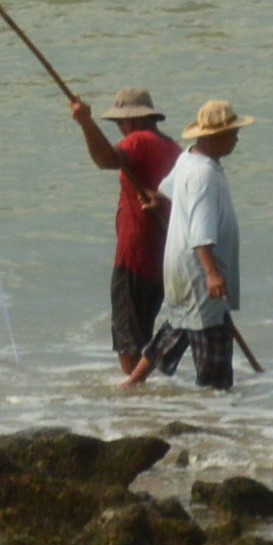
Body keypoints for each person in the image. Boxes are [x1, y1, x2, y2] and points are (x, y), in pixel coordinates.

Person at [124, 98, 257, 391]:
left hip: (182, 269)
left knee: (178, 326)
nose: (236, 137)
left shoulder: (189, 159)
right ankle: (214, 411)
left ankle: (132, 384)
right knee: (214, 351)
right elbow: (201, 232)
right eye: (233, 132)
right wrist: (212, 273)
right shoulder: (204, 173)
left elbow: (166, 189)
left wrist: (156, 199)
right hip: (198, 272)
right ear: (214, 136)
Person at [67, 87, 181, 376]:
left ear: (132, 121)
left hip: (136, 253)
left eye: (120, 122)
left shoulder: (139, 140)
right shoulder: (172, 147)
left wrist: (86, 123)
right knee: (142, 330)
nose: (119, 128)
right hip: (162, 254)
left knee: (128, 337)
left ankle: (134, 397)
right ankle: (144, 395)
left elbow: (105, 159)